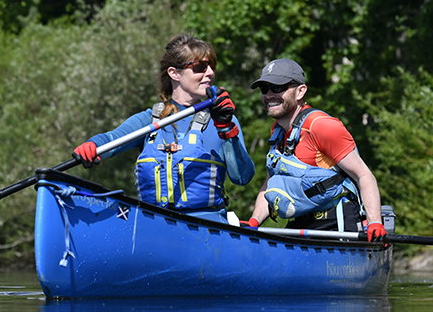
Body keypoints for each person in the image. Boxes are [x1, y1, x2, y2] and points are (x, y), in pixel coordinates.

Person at [71, 34, 255, 222]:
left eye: (212, 67)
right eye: (200, 67)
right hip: (155, 227)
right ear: (174, 73)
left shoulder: (222, 119)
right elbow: (111, 140)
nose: (210, 73)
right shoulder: (150, 120)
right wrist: (92, 145)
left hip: (207, 230)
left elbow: (242, 177)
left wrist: (226, 128)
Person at [242, 58, 386, 241]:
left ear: (300, 91)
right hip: (301, 222)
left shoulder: (322, 126)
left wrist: (375, 222)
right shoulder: (277, 132)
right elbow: (271, 182)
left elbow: (364, 175)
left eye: (278, 88)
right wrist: (254, 222)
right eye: (265, 89)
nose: (269, 95)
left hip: (337, 224)